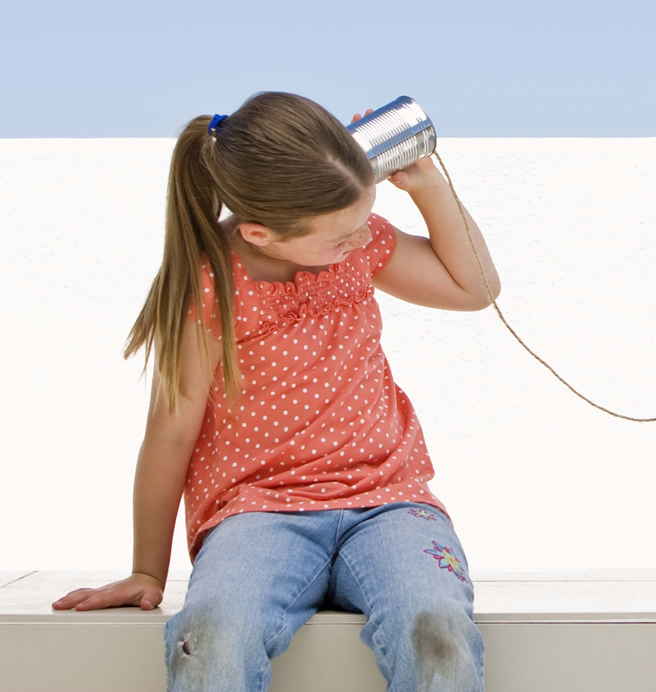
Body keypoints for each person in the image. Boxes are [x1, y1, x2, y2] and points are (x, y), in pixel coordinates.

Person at [51, 91, 499, 692]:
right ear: (260, 234)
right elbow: (171, 432)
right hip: (259, 512)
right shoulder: (210, 287)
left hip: (389, 502)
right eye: (342, 236)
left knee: (436, 624)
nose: (359, 241)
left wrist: (426, 185)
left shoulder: (354, 242)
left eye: (363, 224)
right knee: (212, 635)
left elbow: (474, 288)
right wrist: (146, 571)